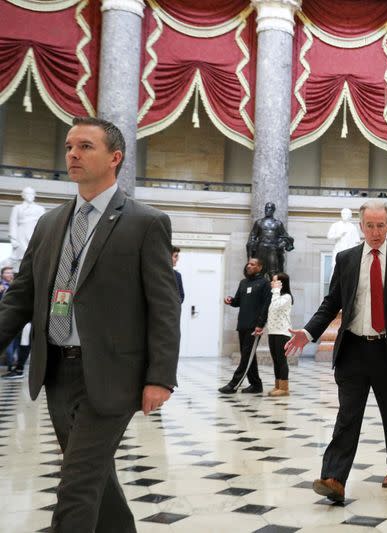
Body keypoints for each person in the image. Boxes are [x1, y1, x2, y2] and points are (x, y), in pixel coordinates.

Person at [0, 116, 180, 532]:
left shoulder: (145, 222)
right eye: (68, 146)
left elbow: (164, 307)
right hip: (57, 370)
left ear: (115, 157)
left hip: (114, 375)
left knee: (76, 484)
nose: (73, 155)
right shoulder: (48, 224)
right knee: (95, 474)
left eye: (85, 146)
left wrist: (161, 377)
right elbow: (21, 297)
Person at [285, 200, 387, 502]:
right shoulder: (346, 259)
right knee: (347, 417)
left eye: (381, 226)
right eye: (370, 226)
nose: (375, 232)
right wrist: (308, 332)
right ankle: (334, 477)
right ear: (361, 227)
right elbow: (331, 302)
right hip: (354, 350)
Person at [219, 258, 271, 394]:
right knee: (248, 355)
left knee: (246, 355)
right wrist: (230, 300)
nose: (249, 266)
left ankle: (233, 384)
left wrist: (261, 324)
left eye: (253, 264)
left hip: (255, 327)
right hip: (242, 324)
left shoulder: (264, 283)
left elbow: (266, 306)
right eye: (248, 263)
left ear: (260, 267)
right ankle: (256, 385)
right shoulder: (243, 283)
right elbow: (238, 301)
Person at [247, 202, 295, 276]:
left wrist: (282, 244)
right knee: (259, 272)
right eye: (266, 208)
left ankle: (275, 287)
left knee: (274, 272)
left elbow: (285, 237)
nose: (267, 210)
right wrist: (250, 254)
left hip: (273, 249)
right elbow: (252, 237)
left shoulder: (278, 223)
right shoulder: (259, 222)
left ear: (273, 210)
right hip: (261, 249)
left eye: (269, 208)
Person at [266, 272, 293, 397]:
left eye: (275, 281)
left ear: (281, 283)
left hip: (282, 333)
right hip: (273, 332)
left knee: (282, 360)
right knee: (276, 360)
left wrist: (276, 290)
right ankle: (277, 385)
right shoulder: (275, 296)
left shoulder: (287, 297)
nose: (272, 283)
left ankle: (284, 388)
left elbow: (276, 306)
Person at [1, 267, 20, 371]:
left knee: (16, 344)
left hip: (16, 319)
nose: (9, 274)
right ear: (2, 274)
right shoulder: (1, 286)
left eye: (11, 273)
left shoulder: (16, 284)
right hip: (4, 317)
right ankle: (10, 366)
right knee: (8, 345)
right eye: (7, 273)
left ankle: (12, 365)